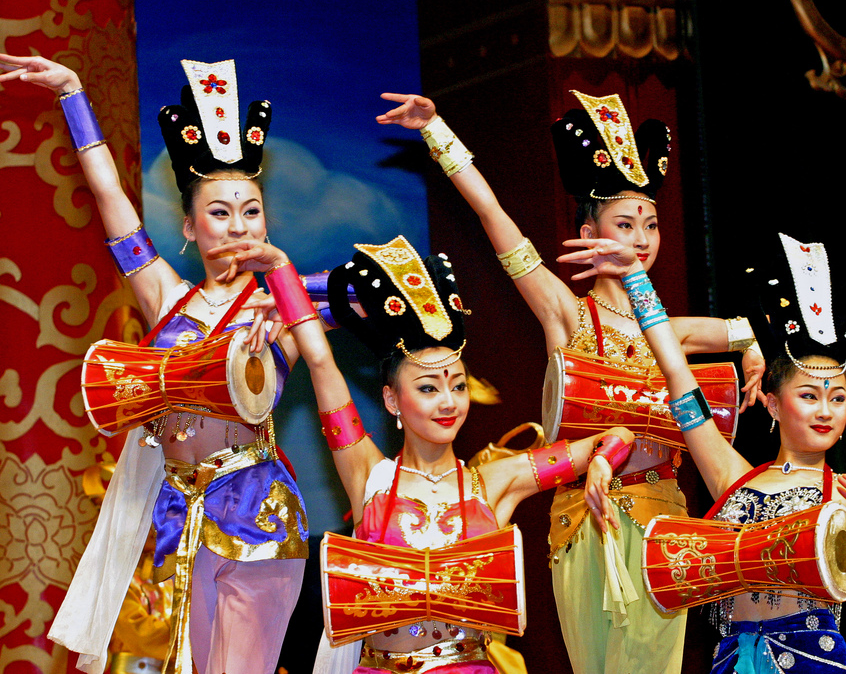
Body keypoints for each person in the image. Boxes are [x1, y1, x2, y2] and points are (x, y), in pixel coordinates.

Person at [375, 90, 765, 673]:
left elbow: (752, 329)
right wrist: (437, 133)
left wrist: (753, 348)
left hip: (664, 523)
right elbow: (494, 217)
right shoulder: (567, 314)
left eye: (651, 225)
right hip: (583, 520)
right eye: (624, 225)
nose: (641, 239)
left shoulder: (670, 331)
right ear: (588, 231)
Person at [559, 230, 846, 672]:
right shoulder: (732, 476)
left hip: (813, 660)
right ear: (773, 404)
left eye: (838, 398)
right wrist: (635, 276)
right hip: (732, 660)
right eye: (809, 396)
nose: (825, 411)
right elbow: (675, 370)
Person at [1, 54, 309, 674]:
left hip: (257, 508)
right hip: (177, 509)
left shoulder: (283, 306)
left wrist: (286, 285)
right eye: (219, 212)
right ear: (189, 227)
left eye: (251, 211)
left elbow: (340, 320)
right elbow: (108, 196)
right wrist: (72, 92)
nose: (238, 225)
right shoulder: (167, 297)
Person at [224, 233, 633, 673]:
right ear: (392, 400)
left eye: (458, 386)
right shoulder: (367, 473)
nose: (448, 402)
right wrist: (279, 266)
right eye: (428, 388)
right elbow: (321, 361)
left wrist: (602, 461)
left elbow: (617, 435)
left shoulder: (495, 481)